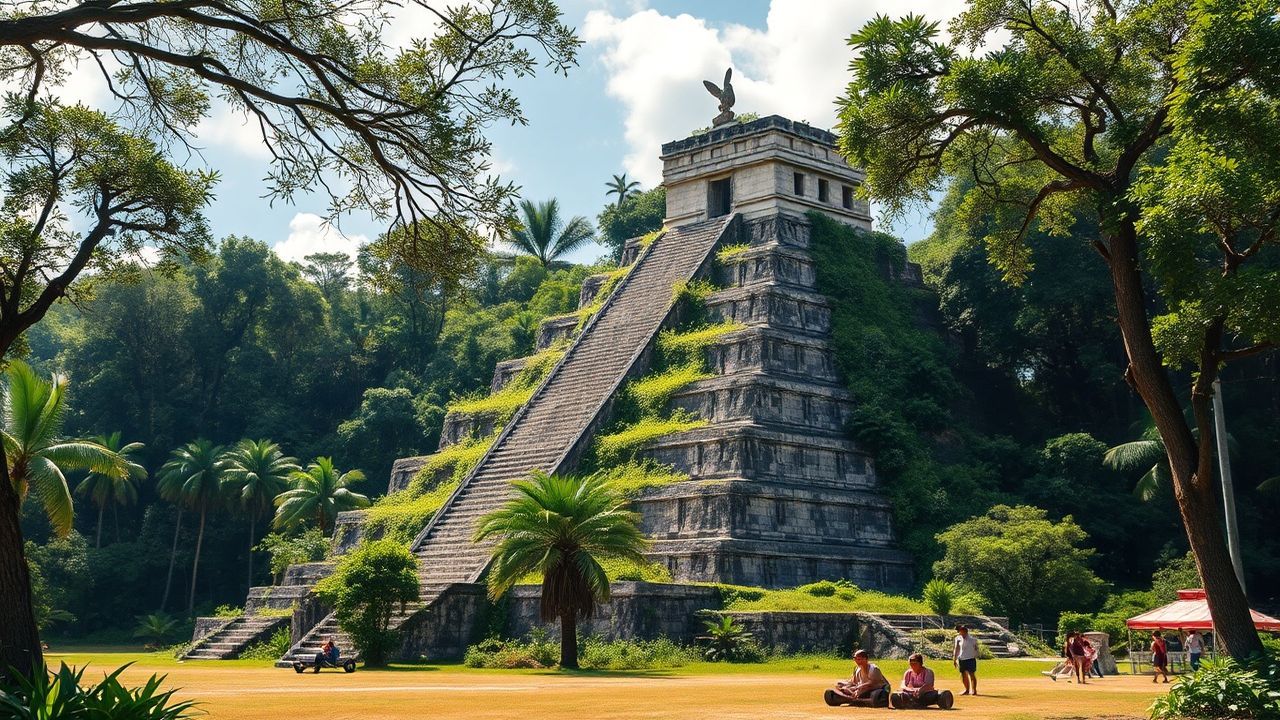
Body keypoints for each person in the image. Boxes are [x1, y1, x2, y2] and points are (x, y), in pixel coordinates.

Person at [825, 649, 891, 707]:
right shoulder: (857, 669)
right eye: (855, 659)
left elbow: (873, 683)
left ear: (865, 659)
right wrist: (847, 688)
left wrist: (859, 687)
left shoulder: (873, 669)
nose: (856, 661)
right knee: (840, 685)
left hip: (878, 689)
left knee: (866, 691)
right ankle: (855, 699)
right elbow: (853, 682)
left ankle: (850, 699)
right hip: (860, 689)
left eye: (859, 659)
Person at [953, 624, 979, 696]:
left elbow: (976, 648)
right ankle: (967, 690)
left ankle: (974, 690)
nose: (959, 632)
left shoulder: (972, 639)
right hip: (962, 659)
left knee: (972, 674)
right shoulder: (958, 639)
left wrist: (976, 655)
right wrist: (955, 659)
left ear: (965, 631)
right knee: (963, 674)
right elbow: (956, 649)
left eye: (960, 631)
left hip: (970, 658)